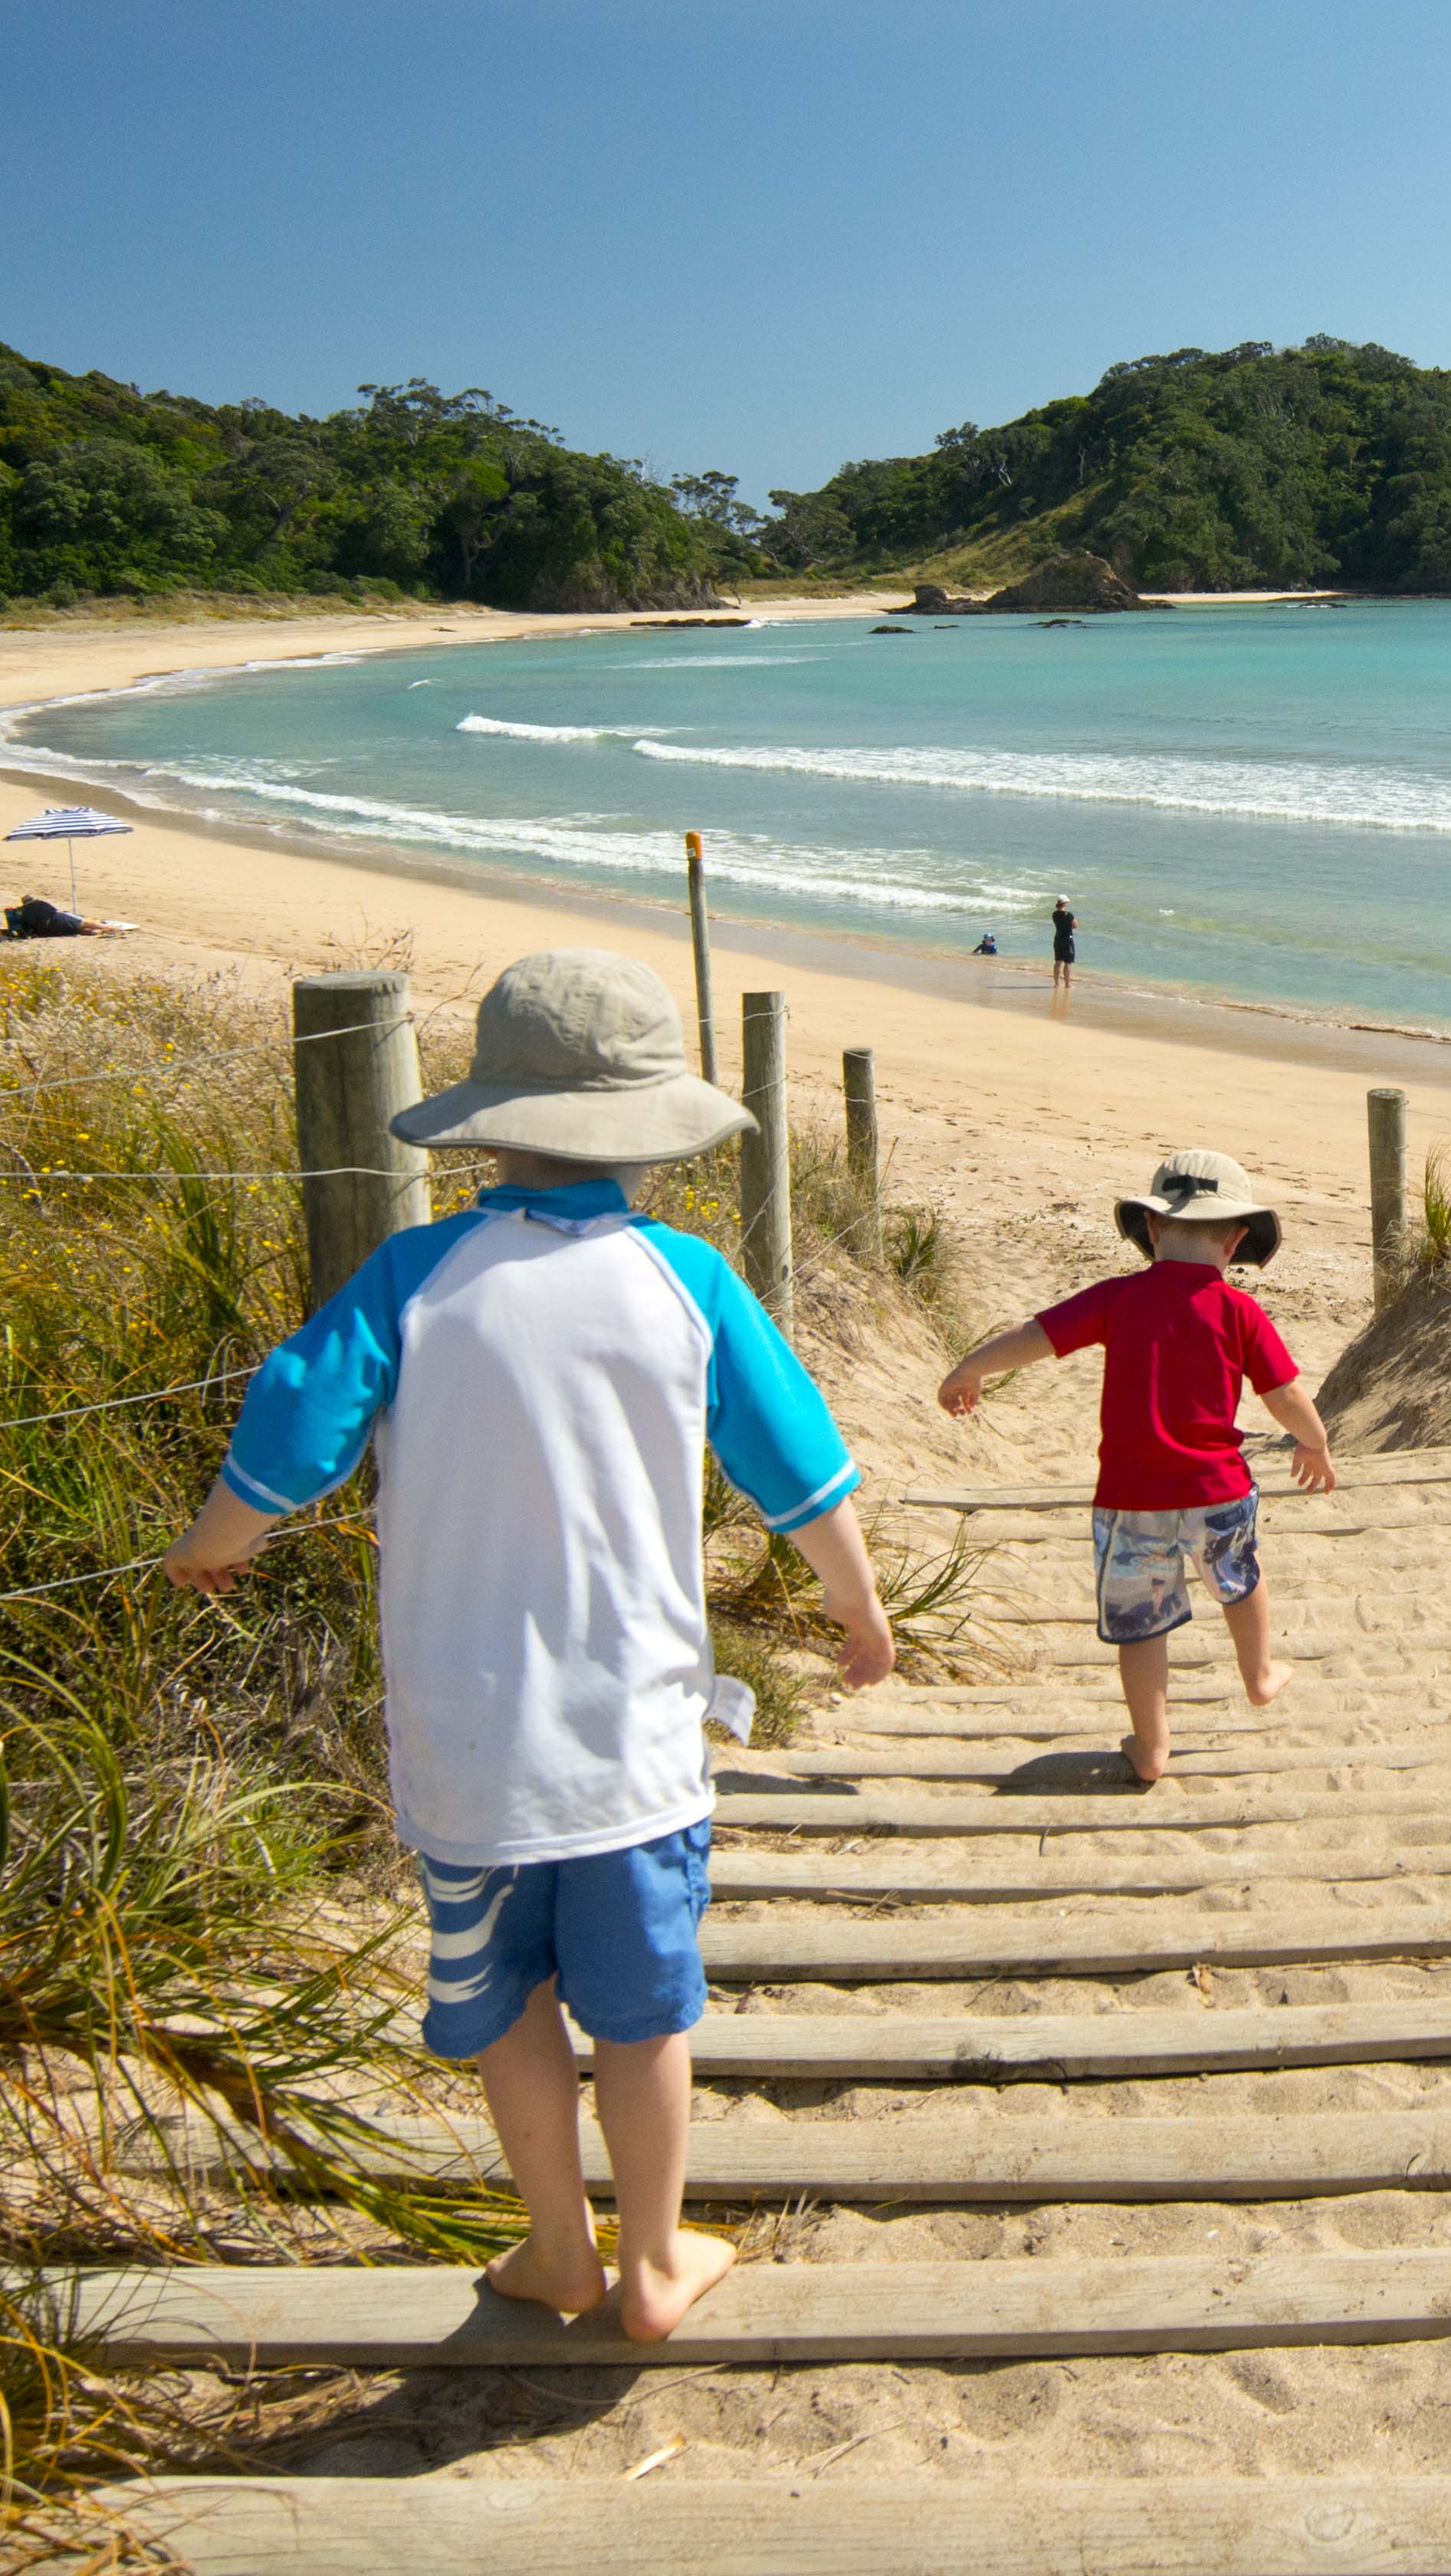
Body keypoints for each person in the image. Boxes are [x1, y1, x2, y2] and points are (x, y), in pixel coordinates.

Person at [161, 951, 891, 2344]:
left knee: (506, 2003)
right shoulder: (686, 1279)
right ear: (648, 1127)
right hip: (634, 1741)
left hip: (464, 1740)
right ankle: (657, 2259)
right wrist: (858, 1609)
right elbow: (794, 1465)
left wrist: (217, 1540)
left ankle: (557, 2248)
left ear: (489, 1121)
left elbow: (293, 1424)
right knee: (645, 2011)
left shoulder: (415, 1272)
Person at [934, 1148, 1338, 1786]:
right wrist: (1314, 1442)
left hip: (1130, 1495)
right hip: (1216, 1487)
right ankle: (1259, 1675)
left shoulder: (1116, 1298)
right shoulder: (1240, 1312)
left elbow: (1035, 1337)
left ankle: (1151, 1747)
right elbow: (1283, 1394)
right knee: (1237, 1577)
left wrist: (969, 1368)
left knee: (1141, 1622)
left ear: (1151, 1229)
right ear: (1235, 1240)